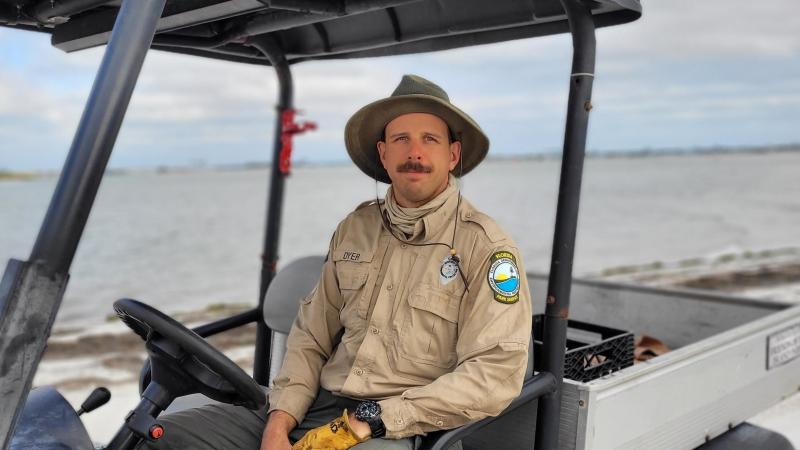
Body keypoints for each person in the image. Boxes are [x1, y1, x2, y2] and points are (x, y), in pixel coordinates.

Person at [142, 75, 532, 450]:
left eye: (429, 139)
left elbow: (494, 374)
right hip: (316, 407)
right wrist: (279, 423)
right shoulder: (355, 227)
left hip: (405, 429)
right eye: (401, 139)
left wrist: (369, 420)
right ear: (384, 153)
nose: (415, 152)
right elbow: (311, 337)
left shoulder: (487, 247)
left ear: (452, 155)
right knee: (154, 437)